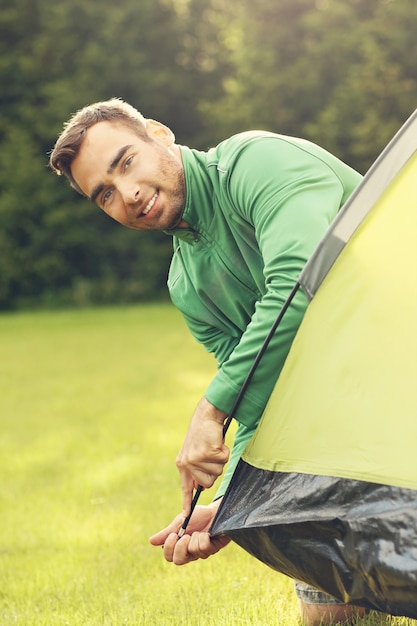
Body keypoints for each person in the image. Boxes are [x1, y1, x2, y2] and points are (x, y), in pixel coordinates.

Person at [49, 98, 368, 625]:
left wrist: (210, 410)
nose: (126, 194)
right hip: (344, 422)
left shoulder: (258, 162)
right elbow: (262, 399)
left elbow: (298, 282)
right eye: (103, 194)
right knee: (331, 618)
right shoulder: (186, 285)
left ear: (160, 134)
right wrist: (237, 504)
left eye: (126, 162)